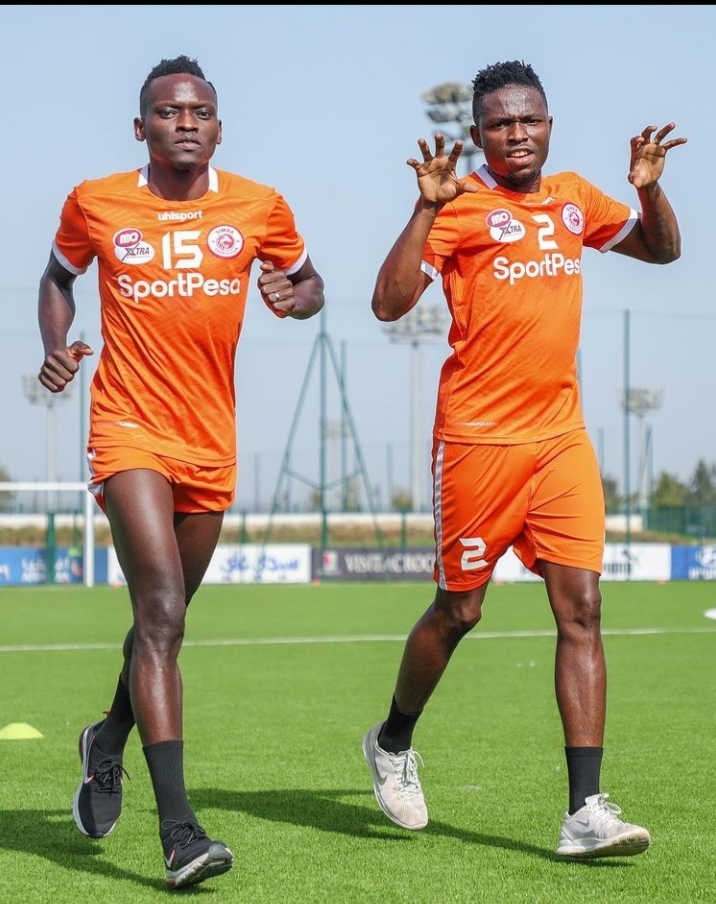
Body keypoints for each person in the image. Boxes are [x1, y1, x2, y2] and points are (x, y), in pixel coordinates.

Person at [362, 59, 685, 858]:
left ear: (549, 125)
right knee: (459, 611)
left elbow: (662, 250)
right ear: (478, 134)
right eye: (501, 123)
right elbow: (388, 303)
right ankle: (392, 741)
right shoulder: (459, 206)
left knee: (583, 608)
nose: (517, 134)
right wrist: (424, 208)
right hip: (476, 441)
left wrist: (649, 190)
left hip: (560, 438)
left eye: (529, 119)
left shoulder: (575, 198)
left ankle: (585, 811)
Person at [37, 54, 324, 889]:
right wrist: (56, 346)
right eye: (168, 112)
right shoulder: (95, 202)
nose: (185, 122)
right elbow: (58, 278)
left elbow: (311, 282)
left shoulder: (259, 205)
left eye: (199, 111)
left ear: (219, 128)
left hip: (210, 442)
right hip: (127, 429)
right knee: (161, 612)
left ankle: (106, 739)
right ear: (142, 127)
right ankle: (180, 833)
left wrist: (294, 297)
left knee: (162, 621)